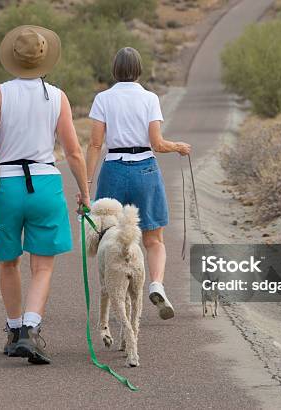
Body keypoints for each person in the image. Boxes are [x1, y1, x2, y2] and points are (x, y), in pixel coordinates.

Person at [0, 25, 90, 364]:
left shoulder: (0, 94)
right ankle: (32, 330)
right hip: (45, 183)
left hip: (5, 184)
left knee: (8, 262)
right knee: (43, 266)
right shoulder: (58, 96)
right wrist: (85, 192)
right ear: (45, 60)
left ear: (12, 60)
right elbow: (74, 152)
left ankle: (14, 329)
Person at [85, 47, 191, 320]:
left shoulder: (103, 98)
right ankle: (156, 284)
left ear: (114, 70)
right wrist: (177, 146)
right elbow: (157, 143)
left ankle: (113, 295)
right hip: (145, 168)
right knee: (154, 238)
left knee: (110, 236)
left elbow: (95, 143)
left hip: (114, 169)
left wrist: (86, 181)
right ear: (139, 70)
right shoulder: (149, 98)